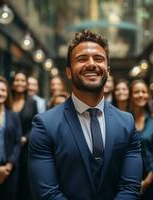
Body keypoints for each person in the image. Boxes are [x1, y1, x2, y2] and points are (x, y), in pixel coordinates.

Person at [29, 29, 142, 200]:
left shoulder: (126, 122)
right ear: (68, 71)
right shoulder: (45, 125)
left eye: (99, 59)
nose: (91, 64)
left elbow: (131, 187)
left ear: (108, 70)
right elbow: (48, 193)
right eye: (82, 59)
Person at [130, 80, 153, 200]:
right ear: (131, 95)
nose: (141, 95)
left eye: (144, 92)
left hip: (149, 177)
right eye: (136, 92)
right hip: (126, 177)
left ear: (148, 95)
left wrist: (147, 182)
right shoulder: (123, 119)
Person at [11, 71, 38, 200]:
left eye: (22, 81)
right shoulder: (7, 100)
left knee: (24, 185)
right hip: (8, 147)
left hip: (25, 149)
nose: (19, 83)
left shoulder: (31, 102)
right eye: (17, 80)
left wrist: (25, 138)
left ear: (26, 84)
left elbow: (36, 124)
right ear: (12, 83)